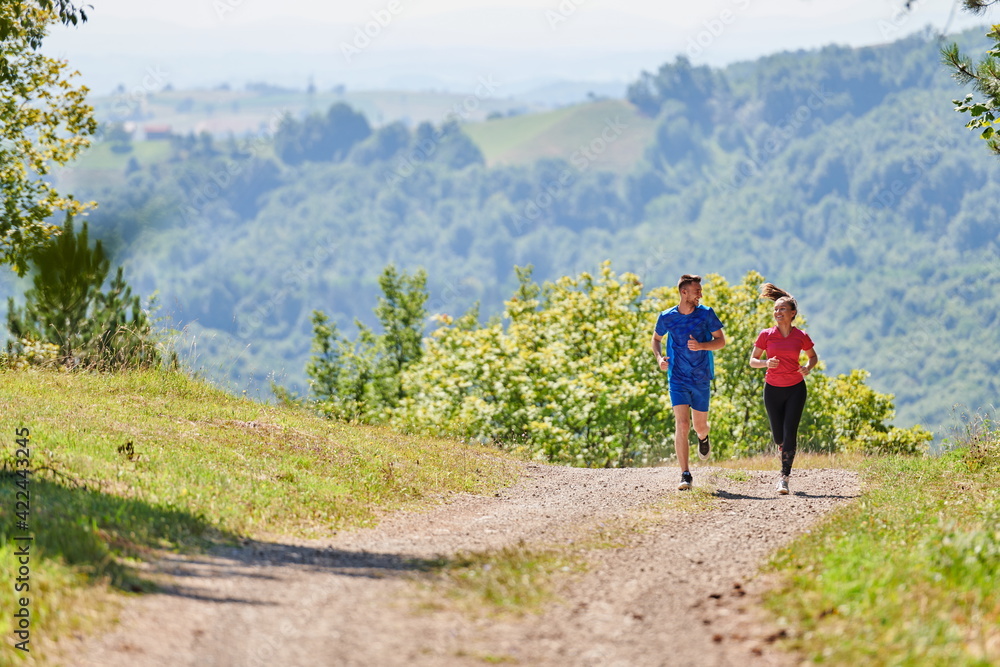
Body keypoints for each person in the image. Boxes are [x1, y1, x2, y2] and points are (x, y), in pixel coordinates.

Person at [651, 274, 726, 490]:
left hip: (701, 377)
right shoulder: (667, 317)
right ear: (684, 292)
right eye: (697, 291)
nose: (700, 294)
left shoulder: (706, 314)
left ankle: (703, 437)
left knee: (699, 426)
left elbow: (720, 341)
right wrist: (659, 359)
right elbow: (656, 340)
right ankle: (685, 474)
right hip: (677, 377)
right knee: (682, 424)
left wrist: (702, 346)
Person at [749, 283, 818, 495]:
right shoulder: (766, 334)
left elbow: (813, 356)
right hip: (772, 390)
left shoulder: (801, 335)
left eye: (782, 309)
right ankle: (782, 446)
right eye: (776, 309)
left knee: (790, 434)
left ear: (793, 313)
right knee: (778, 436)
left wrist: (807, 367)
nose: (777, 312)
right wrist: (765, 363)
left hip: (796, 389)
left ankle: (784, 477)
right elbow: (753, 360)